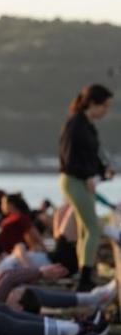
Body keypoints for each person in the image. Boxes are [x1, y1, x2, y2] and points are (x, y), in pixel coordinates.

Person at [59, 84, 116, 290]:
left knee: (86, 229)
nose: (106, 111)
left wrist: (102, 171)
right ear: (92, 103)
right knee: (92, 228)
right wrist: (88, 176)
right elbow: (69, 157)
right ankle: (84, 278)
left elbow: (90, 156)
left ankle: (83, 274)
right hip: (75, 181)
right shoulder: (76, 125)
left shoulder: (87, 125)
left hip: (82, 180)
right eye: (104, 106)